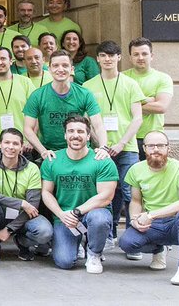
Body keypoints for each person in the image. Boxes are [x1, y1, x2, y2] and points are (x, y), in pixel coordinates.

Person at [83, 40, 145, 244]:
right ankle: (108, 236)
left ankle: (133, 237)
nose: (107, 59)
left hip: (127, 148)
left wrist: (121, 143)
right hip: (99, 150)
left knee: (130, 192)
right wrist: (99, 144)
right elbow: (86, 121)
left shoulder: (130, 84)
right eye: (103, 55)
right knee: (105, 193)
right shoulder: (88, 86)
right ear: (98, 59)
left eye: (111, 55)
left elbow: (137, 118)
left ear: (119, 57)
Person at [118, 131, 179, 286]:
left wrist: (151, 215)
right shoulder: (136, 169)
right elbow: (135, 201)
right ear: (144, 148)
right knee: (127, 243)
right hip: (152, 226)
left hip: (176, 223)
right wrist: (134, 220)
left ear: (168, 148)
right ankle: (159, 249)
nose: (156, 149)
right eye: (151, 146)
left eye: (160, 145)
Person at [40, 116, 117, 272]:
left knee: (99, 219)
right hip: (65, 216)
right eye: (71, 131)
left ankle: (94, 253)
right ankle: (77, 242)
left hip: (92, 213)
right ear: (65, 135)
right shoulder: (52, 160)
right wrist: (61, 214)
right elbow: (46, 192)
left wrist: (77, 211)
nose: (75, 135)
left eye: (80, 131)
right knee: (65, 262)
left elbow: (106, 197)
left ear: (88, 136)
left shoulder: (102, 160)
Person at [0, 128, 53, 264]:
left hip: (22, 216)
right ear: (0, 144)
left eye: (15, 143)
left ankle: (22, 243)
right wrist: (21, 203)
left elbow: (33, 206)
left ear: (21, 146)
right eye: (7, 142)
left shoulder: (32, 168)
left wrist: (9, 229)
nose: (11, 147)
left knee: (45, 232)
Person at [23, 51, 107, 160]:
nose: (60, 69)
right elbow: (27, 129)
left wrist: (103, 147)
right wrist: (43, 151)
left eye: (65, 65)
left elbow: (98, 125)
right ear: (49, 69)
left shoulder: (85, 94)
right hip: (51, 153)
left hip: (81, 151)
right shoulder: (37, 96)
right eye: (55, 66)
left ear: (72, 69)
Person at [124, 38, 173, 159]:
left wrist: (131, 103)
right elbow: (117, 105)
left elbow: (161, 107)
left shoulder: (163, 78)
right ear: (130, 57)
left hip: (153, 138)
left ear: (152, 56)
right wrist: (149, 100)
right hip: (127, 137)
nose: (140, 57)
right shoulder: (122, 78)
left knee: (153, 170)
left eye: (144, 54)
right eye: (136, 54)